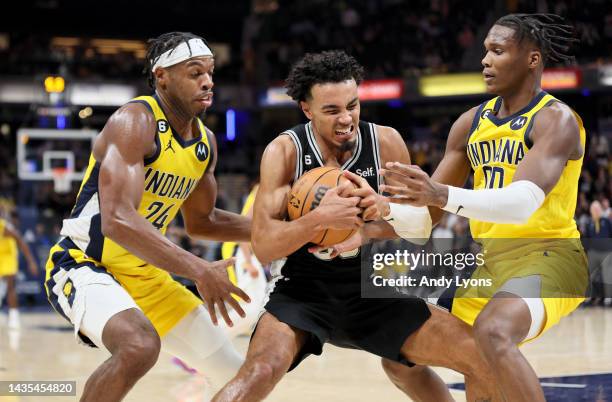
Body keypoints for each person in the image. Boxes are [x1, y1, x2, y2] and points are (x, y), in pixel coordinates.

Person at [213, 50, 502, 402]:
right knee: (259, 370)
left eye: (352, 105)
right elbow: (265, 245)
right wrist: (319, 219)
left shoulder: (386, 142)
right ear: (306, 109)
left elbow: (418, 228)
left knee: (484, 357)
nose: (346, 118)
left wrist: (370, 226)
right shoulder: (285, 152)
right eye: (332, 110)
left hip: (370, 286)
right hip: (302, 290)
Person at [380, 13, 588, 402]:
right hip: (490, 263)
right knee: (399, 351)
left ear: (532, 59)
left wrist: (441, 193)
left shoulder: (556, 120)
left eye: (498, 50)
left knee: (494, 332)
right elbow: (424, 222)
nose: (485, 61)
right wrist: (371, 215)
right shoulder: (469, 124)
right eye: (484, 51)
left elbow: (522, 204)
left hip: (551, 257)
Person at [44, 32, 253, 402]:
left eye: (210, 71)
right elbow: (118, 221)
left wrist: (283, 230)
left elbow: (203, 222)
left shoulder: (205, 144)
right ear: (162, 77)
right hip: (86, 263)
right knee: (139, 346)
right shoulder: (134, 121)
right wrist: (200, 270)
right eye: (194, 72)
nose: (207, 80)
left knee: (234, 376)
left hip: (145, 274)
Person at [220, 182, 268, 338]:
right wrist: (247, 260)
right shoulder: (263, 191)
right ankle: (208, 341)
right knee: (252, 308)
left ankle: (211, 343)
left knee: (259, 306)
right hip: (240, 249)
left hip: (249, 252)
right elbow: (246, 227)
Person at [0, 214, 39, 329]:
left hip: (8, 255)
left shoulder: (4, 227)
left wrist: (31, 261)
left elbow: (21, 241)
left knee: (10, 285)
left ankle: (14, 316)